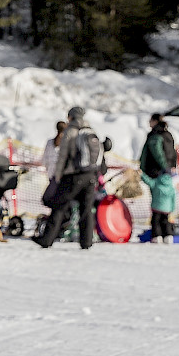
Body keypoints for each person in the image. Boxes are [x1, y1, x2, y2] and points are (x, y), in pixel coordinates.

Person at [38, 106, 107, 249]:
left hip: (73, 175)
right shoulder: (90, 131)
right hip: (91, 176)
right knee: (86, 210)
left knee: (59, 206)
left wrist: (58, 175)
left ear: (71, 117)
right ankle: (86, 242)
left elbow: (63, 156)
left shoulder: (71, 131)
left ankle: (46, 239)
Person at [141, 113, 179, 242]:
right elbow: (173, 152)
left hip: (156, 171)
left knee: (157, 208)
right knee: (165, 208)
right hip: (168, 173)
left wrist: (162, 166)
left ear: (155, 121)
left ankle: (157, 234)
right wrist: (171, 167)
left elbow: (157, 152)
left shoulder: (155, 135)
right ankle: (167, 233)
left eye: (150, 120)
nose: (149, 123)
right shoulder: (168, 135)